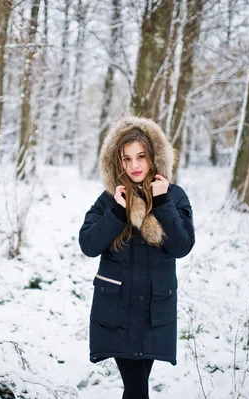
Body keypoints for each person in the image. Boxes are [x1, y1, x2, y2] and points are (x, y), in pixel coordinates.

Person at [79, 116, 195, 399]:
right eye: (127, 158)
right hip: (118, 311)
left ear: (153, 157)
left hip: (154, 312)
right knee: (137, 391)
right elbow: (88, 244)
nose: (134, 166)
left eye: (141, 156)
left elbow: (182, 246)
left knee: (134, 391)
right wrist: (118, 212)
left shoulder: (174, 197)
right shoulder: (110, 198)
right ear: (117, 163)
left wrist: (164, 203)